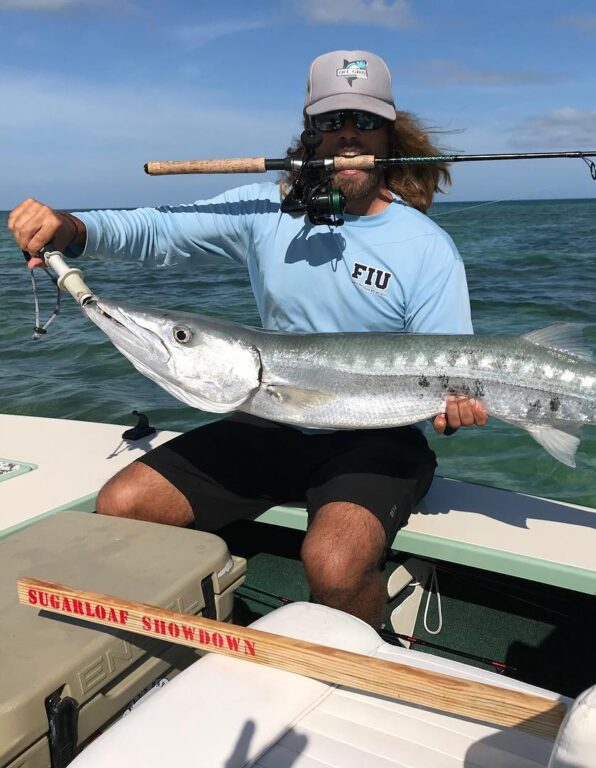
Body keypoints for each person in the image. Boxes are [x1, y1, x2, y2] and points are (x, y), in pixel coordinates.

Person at [8, 50, 487, 627]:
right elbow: (162, 232)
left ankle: (371, 659)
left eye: (366, 121)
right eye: (332, 122)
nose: (349, 136)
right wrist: (74, 228)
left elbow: (453, 365)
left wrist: (457, 409)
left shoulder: (426, 246)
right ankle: (186, 640)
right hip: (272, 415)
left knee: (334, 563)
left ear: (390, 135)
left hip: (378, 436)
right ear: (310, 134)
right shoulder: (267, 210)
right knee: (123, 505)